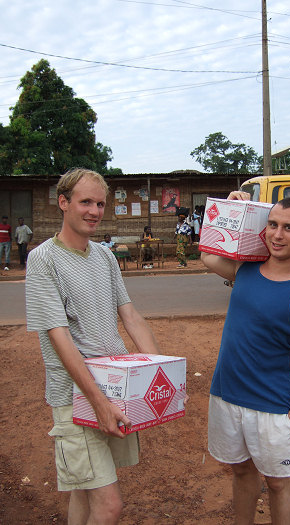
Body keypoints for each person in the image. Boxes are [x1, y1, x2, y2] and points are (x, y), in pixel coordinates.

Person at [25, 168, 161, 525]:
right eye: (85, 202)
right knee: (109, 505)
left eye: (100, 203)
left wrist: (162, 375)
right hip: (76, 397)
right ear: (63, 203)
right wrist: (98, 404)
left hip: (112, 387)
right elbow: (59, 337)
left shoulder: (103, 256)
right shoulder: (43, 259)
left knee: (83, 493)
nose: (94, 211)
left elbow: (130, 316)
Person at [201, 191, 290, 525]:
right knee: (242, 472)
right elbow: (207, 254)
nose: (276, 234)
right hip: (227, 396)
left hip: (273, 406)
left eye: (288, 227)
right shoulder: (245, 269)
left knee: (279, 484)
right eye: (272, 224)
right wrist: (232, 208)